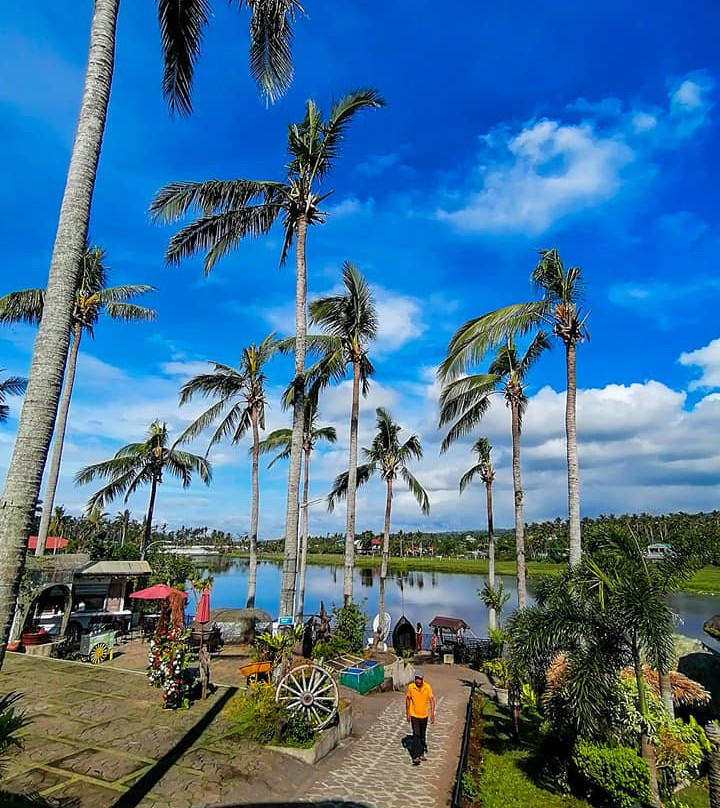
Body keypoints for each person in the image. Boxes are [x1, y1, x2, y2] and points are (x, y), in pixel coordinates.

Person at [405, 669, 435, 765]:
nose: (418, 681)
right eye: (416, 679)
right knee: (416, 735)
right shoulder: (411, 687)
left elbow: (431, 700)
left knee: (422, 735)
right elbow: (408, 699)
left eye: (420, 679)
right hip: (414, 715)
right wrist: (408, 713)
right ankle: (416, 756)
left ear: (422, 679)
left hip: (424, 716)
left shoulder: (427, 687)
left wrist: (432, 714)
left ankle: (421, 752)